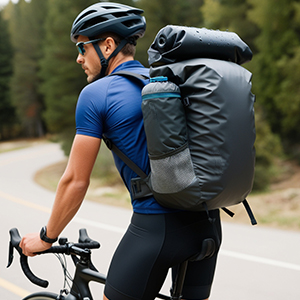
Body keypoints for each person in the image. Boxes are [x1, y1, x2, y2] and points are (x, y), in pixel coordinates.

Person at [20, 2, 222, 300]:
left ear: (108, 45)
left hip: (158, 229)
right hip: (208, 226)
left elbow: (75, 180)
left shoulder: (96, 95)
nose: (79, 58)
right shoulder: (166, 81)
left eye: (82, 48)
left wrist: (46, 237)